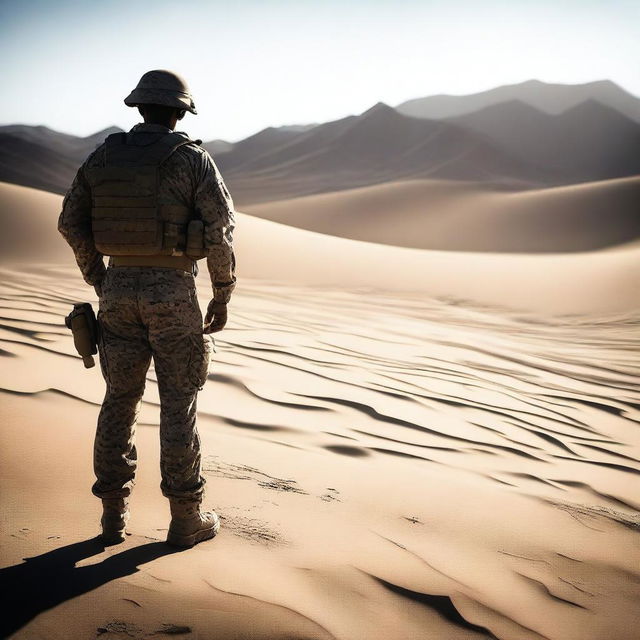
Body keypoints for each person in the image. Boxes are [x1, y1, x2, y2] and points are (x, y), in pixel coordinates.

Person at [58, 69, 236, 547]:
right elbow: (219, 230)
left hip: (117, 292)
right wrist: (222, 291)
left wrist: (100, 276)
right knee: (179, 403)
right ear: (180, 112)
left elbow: (70, 222)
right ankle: (185, 520)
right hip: (174, 293)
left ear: (139, 107)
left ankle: (112, 519)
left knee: (119, 399)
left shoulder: (103, 157)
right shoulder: (192, 159)